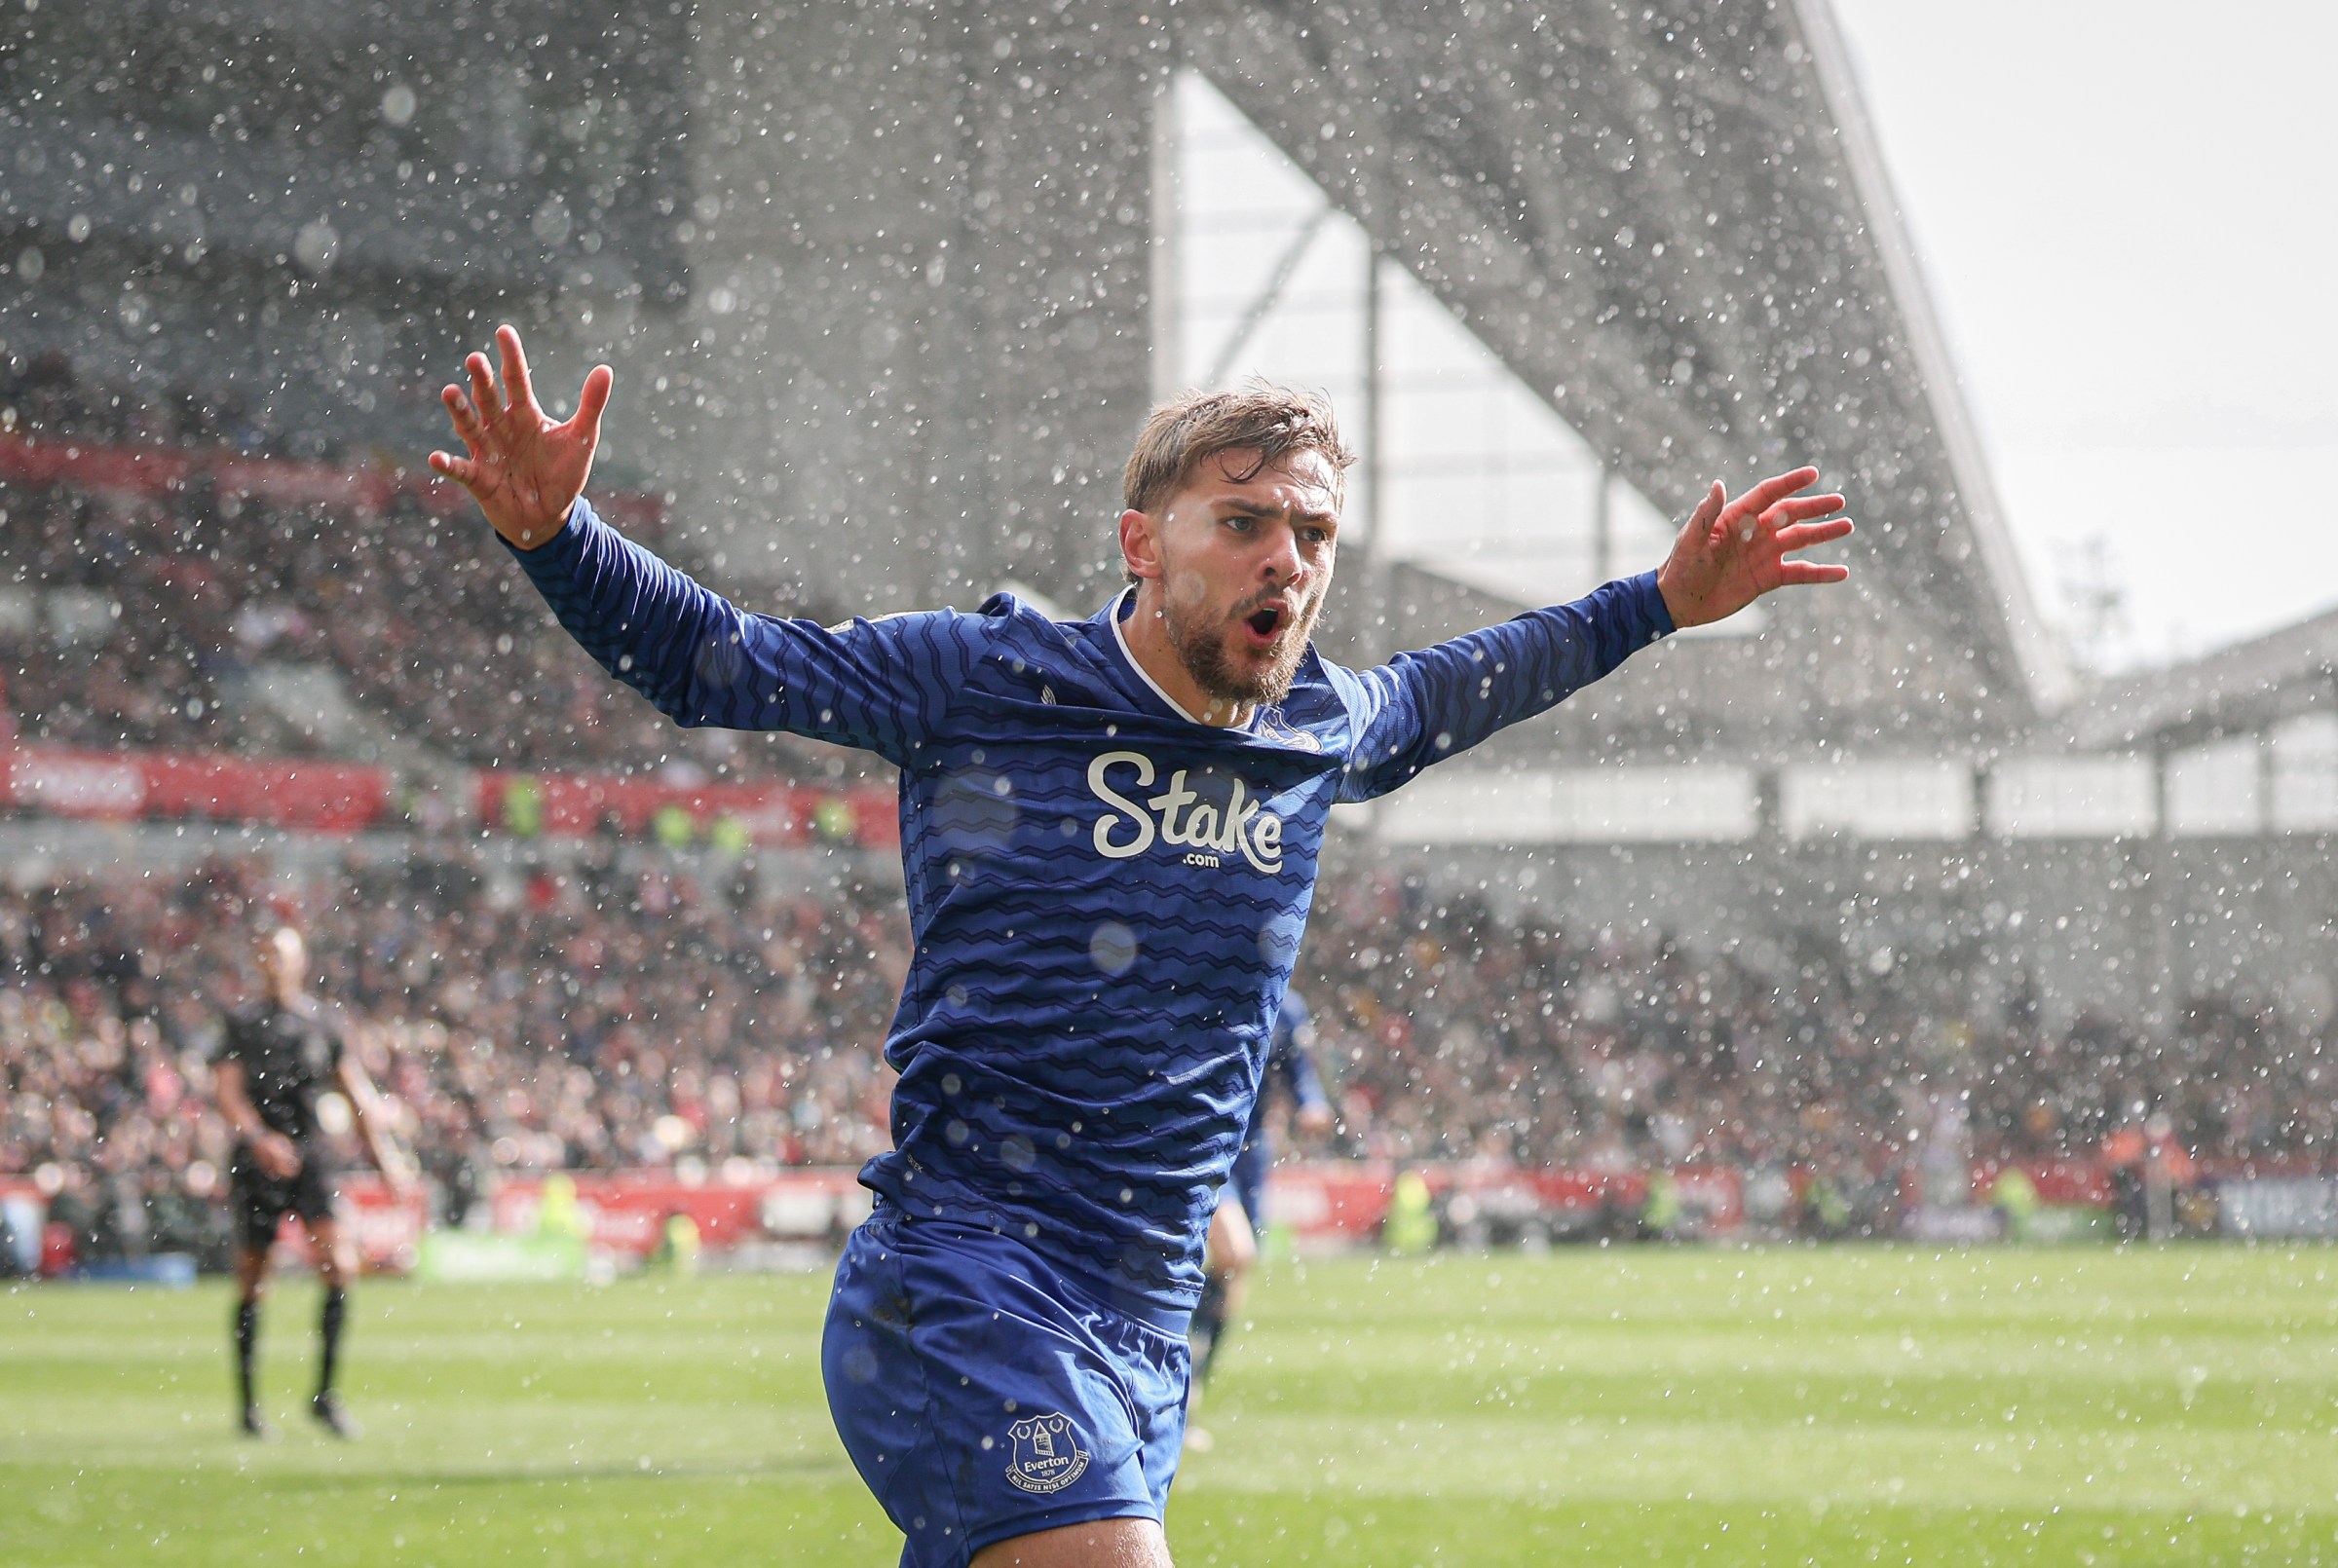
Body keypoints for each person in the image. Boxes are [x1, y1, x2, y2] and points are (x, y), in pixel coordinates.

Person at [430, 324, 1851, 1567]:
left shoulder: (1324, 730)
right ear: (1141, 542)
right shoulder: (991, 677)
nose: (1284, 556)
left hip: (1147, 1329)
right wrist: (561, 538)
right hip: (966, 1283)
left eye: (1311, 531)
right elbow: (719, 660)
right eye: (1241, 521)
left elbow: (1486, 676)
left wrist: (1659, 603)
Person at [212, 924, 410, 1439]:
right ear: (259, 962)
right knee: (255, 1279)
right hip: (258, 1160)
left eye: (283, 954)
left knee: (339, 1267)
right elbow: (228, 1093)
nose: (275, 963)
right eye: (268, 954)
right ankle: (250, 1408)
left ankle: (325, 1396)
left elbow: (355, 1094)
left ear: (301, 962)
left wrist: (386, 1160)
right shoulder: (241, 1022)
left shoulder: (324, 1022)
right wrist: (258, 1138)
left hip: (312, 1155)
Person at [1183, 989, 1331, 1452]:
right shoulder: (1205, 986)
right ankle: (1176, 1382)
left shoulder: (1286, 1005)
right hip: (1205, 1141)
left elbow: (1298, 1069)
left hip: (1250, 1155)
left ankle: (1186, 1389)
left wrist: (1311, 1103)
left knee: (1234, 1272)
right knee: (1236, 1252)